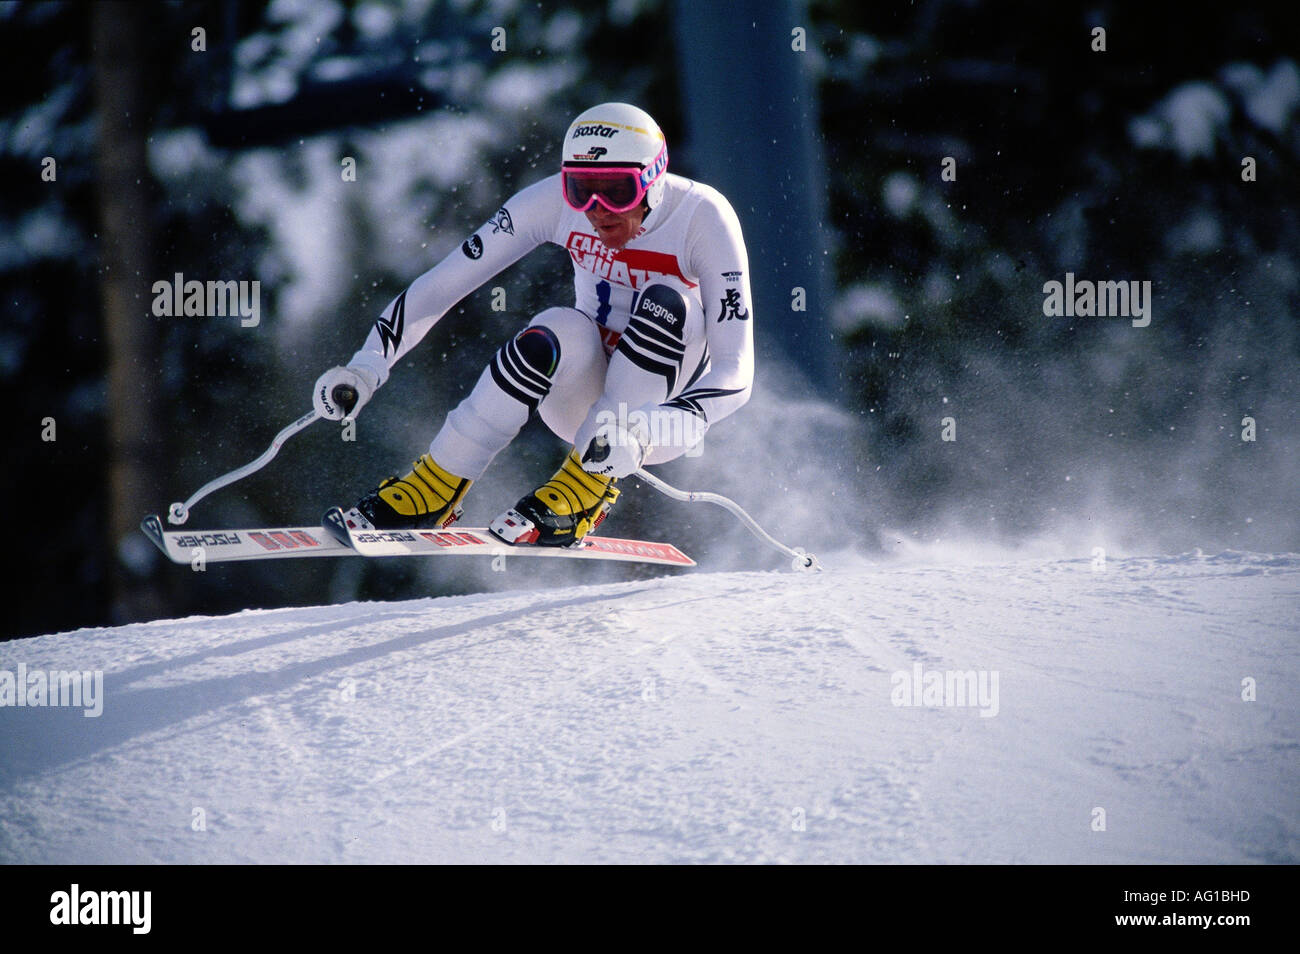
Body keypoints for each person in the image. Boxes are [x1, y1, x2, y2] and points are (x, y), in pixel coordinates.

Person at [312, 102, 754, 547]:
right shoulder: (552, 203)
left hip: (661, 416)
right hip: (579, 400)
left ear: (653, 180)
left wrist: (652, 428)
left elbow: (736, 372)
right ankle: (433, 486)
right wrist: (367, 364)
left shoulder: (703, 217)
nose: (598, 210)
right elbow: (443, 285)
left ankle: (584, 488)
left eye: (617, 191)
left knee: (668, 303)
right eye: (581, 189)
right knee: (555, 327)